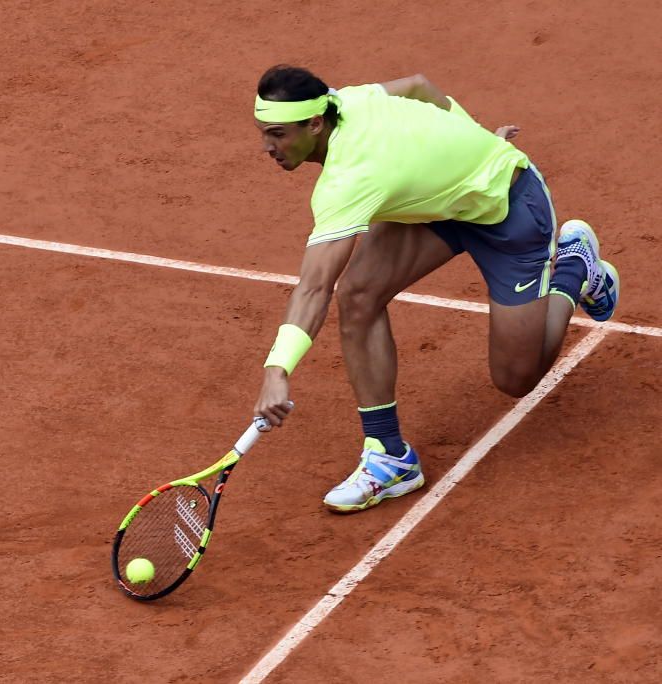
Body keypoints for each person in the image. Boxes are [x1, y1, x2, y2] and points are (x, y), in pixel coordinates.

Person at [251, 65, 619, 513]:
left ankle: (575, 269)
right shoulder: (343, 100)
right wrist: (469, 137)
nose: (268, 147)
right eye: (264, 133)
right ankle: (390, 457)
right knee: (360, 295)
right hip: (433, 206)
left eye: (277, 134)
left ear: (314, 123)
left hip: (508, 208)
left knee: (516, 378)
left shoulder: (349, 178)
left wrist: (278, 369)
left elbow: (314, 286)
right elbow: (417, 86)